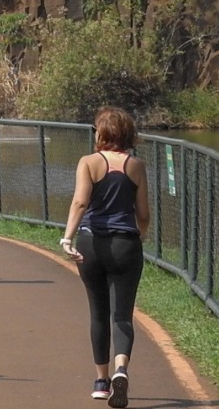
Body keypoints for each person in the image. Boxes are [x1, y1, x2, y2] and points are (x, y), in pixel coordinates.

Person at [61, 106, 150, 409]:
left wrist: (67, 237)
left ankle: (101, 381)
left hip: (91, 243)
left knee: (98, 312)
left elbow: (80, 201)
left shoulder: (88, 162)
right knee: (122, 314)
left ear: (102, 132)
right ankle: (121, 370)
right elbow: (144, 214)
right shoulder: (136, 165)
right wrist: (141, 234)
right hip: (126, 244)